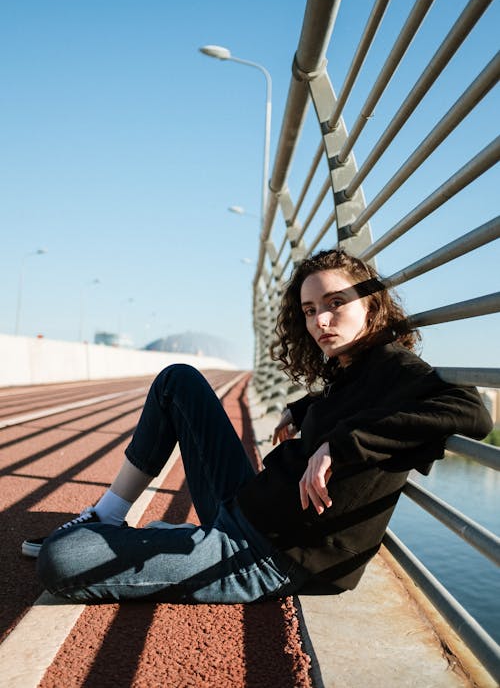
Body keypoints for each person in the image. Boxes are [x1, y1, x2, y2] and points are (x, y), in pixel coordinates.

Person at [27, 248, 492, 604]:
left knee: (62, 559)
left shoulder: (397, 369)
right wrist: (307, 407)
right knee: (178, 382)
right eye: (310, 310)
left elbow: (472, 412)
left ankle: (144, 540)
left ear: (371, 306)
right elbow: (356, 402)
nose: (320, 321)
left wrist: (340, 445)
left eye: (335, 304)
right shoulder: (353, 368)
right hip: (246, 509)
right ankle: (110, 515)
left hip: (267, 558)